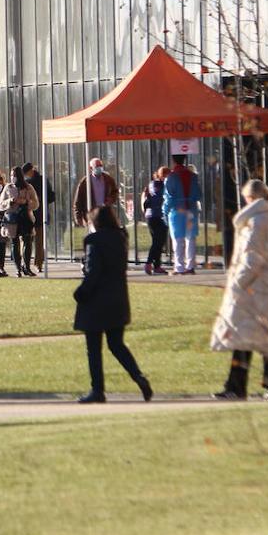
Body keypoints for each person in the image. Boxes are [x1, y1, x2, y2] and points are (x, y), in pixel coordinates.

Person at [210, 180, 268, 400]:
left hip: (256, 289)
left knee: (242, 338)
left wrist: (236, 283)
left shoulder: (255, 223)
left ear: (249, 199)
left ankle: (236, 386)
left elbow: (252, 259)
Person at [73, 207, 152, 403]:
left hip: (96, 301)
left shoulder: (94, 242)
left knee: (94, 348)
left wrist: (81, 292)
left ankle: (97, 389)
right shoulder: (120, 239)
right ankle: (138, 377)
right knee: (116, 345)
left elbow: (94, 272)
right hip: (117, 298)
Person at [163, 154, 202, 274]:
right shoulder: (193, 176)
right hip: (191, 210)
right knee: (190, 238)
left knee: (178, 239)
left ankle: (179, 267)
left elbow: (168, 197)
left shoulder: (171, 177)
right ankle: (190, 266)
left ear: (173, 161)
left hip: (177, 211)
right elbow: (198, 194)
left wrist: (165, 211)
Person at [0, 167, 39, 277]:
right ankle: (18, 268)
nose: (13, 178)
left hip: (25, 218)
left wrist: (26, 202)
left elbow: (36, 204)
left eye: (15, 175)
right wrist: (10, 201)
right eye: (11, 175)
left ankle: (26, 267)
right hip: (12, 219)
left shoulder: (28, 187)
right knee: (14, 242)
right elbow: (0, 204)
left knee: (27, 241)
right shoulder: (8, 187)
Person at [22, 163, 54, 271]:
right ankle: (25, 263)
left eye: (27, 173)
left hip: (40, 214)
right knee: (27, 240)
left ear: (31, 171)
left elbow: (50, 196)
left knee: (39, 240)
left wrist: (40, 199)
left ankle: (38, 263)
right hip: (28, 215)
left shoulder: (42, 180)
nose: (26, 175)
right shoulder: (25, 182)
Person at [73, 157, 119, 228]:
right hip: (92, 215)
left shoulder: (108, 179)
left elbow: (115, 192)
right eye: (97, 166)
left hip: (105, 213)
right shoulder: (85, 182)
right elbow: (78, 202)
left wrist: (110, 200)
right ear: (91, 168)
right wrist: (79, 219)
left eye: (101, 166)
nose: (99, 168)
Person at [142, 167, 170, 275]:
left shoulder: (160, 185)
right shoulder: (155, 184)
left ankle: (157, 265)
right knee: (157, 242)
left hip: (158, 215)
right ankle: (149, 263)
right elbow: (159, 196)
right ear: (160, 175)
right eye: (166, 175)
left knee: (159, 241)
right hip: (155, 216)